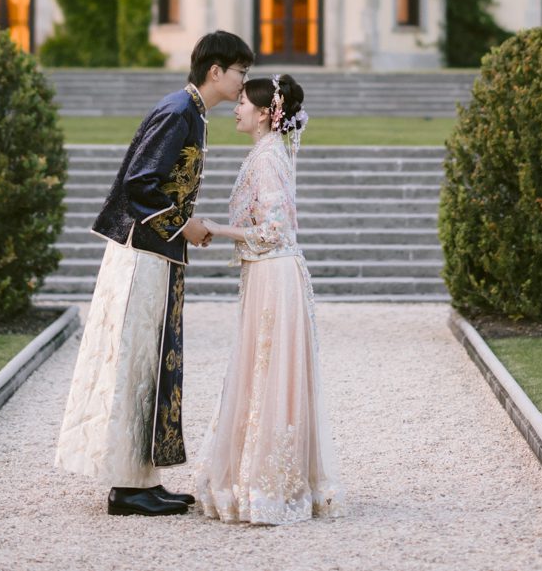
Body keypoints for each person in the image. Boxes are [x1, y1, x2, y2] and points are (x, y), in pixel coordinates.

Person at [54, 31, 254, 516]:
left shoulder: (191, 113)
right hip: (141, 256)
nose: (243, 82)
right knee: (136, 361)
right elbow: (139, 184)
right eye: (240, 72)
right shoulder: (178, 113)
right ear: (216, 71)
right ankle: (126, 486)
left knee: (152, 360)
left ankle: (142, 477)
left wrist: (186, 228)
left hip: (156, 253)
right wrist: (185, 226)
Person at [189, 73, 345, 525]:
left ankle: (267, 484)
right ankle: (264, 478)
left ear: (263, 113)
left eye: (242, 102)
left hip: (274, 275)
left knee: (267, 373)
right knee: (261, 372)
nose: (235, 108)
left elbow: (275, 229)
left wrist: (217, 228)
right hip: (266, 274)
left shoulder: (267, 158)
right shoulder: (265, 153)